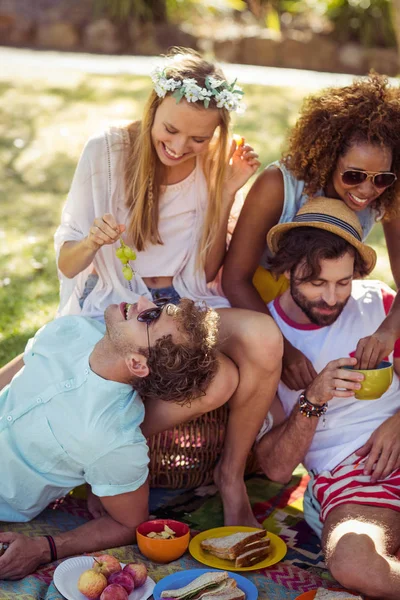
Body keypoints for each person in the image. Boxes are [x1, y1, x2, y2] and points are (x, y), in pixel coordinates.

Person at [48, 46, 281, 527]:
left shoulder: (214, 164)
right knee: (219, 379)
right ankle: (110, 463)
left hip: (185, 307)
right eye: (170, 129)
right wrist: (92, 240)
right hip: (118, 307)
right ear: (153, 106)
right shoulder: (107, 152)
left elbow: (207, 265)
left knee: (261, 339)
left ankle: (231, 475)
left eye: (198, 138)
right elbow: (69, 266)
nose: (179, 146)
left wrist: (228, 192)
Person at [0, 295, 227, 579]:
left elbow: (128, 523)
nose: (142, 300)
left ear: (136, 363)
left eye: (149, 318)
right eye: (155, 306)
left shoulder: (114, 440)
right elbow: (22, 366)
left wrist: (43, 548)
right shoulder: (73, 328)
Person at [256, 198, 400, 600]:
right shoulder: (267, 339)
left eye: (342, 281)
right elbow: (275, 467)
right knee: (354, 564)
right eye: (316, 283)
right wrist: (314, 396)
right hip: (353, 476)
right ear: (287, 271)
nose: (332, 298)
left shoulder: (380, 303)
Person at [223, 72, 400, 393]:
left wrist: (388, 331)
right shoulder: (279, 184)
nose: (366, 190)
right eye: (354, 175)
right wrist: (283, 350)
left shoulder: (387, 195)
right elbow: (235, 278)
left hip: (324, 299)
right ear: (329, 159)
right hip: (257, 305)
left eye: (381, 178)